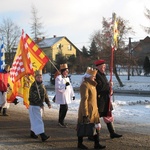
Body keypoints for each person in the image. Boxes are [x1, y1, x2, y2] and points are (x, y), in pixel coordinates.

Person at [77, 67, 106, 149]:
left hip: (94, 110)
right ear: (89, 76)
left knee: (96, 126)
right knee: (82, 126)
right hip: (87, 110)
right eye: (93, 76)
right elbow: (84, 100)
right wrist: (85, 113)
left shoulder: (93, 85)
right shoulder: (85, 85)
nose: (95, 77)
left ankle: (97, 144)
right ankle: (80, 143)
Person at [94, 59, 122, 139]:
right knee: (96, 117)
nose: (104, 67)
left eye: (105, 66)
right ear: (99, 67)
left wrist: (110, 89)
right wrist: (108, 85)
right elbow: (98, 87)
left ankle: (112, 132)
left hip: (105, 99)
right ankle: (93, 134)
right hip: (99, 99)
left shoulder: (102, 74)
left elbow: (105, 86)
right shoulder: (96, 74)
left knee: (108, 115)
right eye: (103, 66)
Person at [28, 70, 51, 142]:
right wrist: (40, 103)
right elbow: (33, 97)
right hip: (34, 106)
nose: (39, 78)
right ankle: (42, 135)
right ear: (35, 78)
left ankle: (32, 133)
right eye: (38, 77)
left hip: (39, 106)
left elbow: (45, 95)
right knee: (38, 121)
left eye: (40, 77)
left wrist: (48, 102)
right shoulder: (34, 86)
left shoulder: (42, 85)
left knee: (35, 120)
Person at [55, 63, 75, 128]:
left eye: (67, 71)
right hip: (62, 96)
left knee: (63, 108)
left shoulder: (67, 78)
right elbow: (58, 87)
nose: (67, 72)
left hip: (66, 96)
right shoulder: (59, 78)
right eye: (66, 71)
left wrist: (72, 94)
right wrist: (64, 86)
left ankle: (60, 120)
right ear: (63, 71)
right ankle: (61, 121)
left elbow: (70, 87)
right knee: (64, 108)